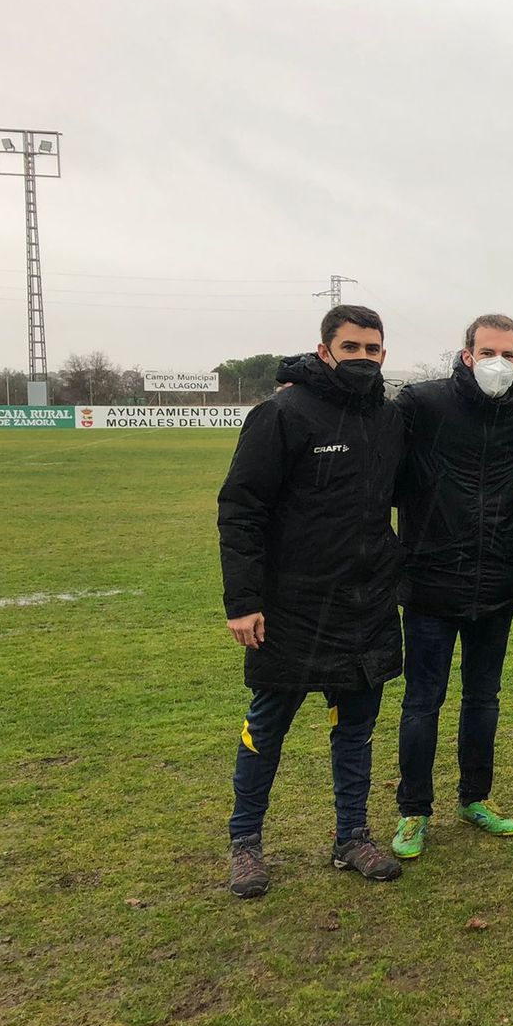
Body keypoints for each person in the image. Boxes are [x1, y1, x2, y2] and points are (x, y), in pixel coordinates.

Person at [218, 305, 406, 897]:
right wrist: (243, 601)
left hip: (368, 603)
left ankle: (352, 836)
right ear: (325, 350)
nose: (363, 359)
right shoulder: (282, 414)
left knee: (355, 729)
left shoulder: (389, 419)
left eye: (373, 349)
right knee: (267, 725)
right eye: (351, 348)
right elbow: (241, 510)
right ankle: (245, 843)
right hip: (293, 605)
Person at [388, 314, 513, 861]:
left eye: (510, 354)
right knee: (422, 701)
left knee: (483, 700)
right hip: (431, 581)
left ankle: (474, 798)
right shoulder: (423, 404)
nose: (498, 363)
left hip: (499, 581)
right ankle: (413, 811)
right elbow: (372, 446)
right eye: (489, 351)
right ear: (466, 354)